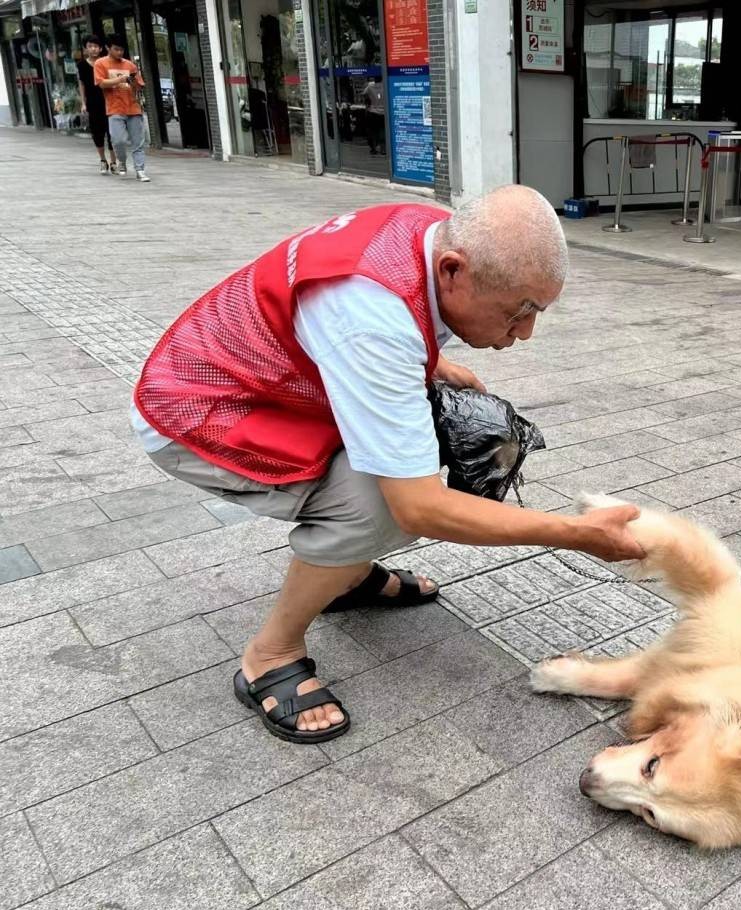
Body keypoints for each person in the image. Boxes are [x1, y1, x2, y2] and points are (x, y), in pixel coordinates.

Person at [131, 187, 645, 744]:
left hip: (276, 385)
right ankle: (269, 654)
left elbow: (370, 321)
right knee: (381, 505)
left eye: (536, 312)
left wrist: (430, 359)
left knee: (433, 445)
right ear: (453, 271)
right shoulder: (373, 321)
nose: (524, 333)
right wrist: (575, 534)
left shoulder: (432, 232)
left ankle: (345, 576)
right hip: (204, 413)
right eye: (518, 311)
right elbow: (421, 507)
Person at [94, 34, 150, 182]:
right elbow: (101, 83)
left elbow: (139, 86)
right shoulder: (100, 64)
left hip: (133, 107)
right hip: (114, 108)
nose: (120, 53)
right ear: (108, 48)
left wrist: (133, 81)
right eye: (116, 49)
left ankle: (140, 170)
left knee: (138, 141)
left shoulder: (130, 65)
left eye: (122, 50)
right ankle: (122, 161)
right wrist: (120, 79)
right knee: (118, 140)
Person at [77, 36, 116, 174]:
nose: (93, 49)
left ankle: (114, 162)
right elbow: (81, 84)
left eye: (96, 46)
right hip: (93, 103)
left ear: (100, 48)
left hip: (109, 100)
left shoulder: (107, 62)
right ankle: (103, 160)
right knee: (97, 133)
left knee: (112, 132)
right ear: (86, 49)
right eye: (90, 46)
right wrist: (83, 102)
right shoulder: (82, 65)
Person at [362, 77, 384, 156]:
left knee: (373, 132)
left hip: (373, 112)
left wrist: (369, 101)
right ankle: (383, 149)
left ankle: (374, 149)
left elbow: (364, 94)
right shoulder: (385, 85)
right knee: (383, 131)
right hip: (383, 113)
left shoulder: (370, 86)